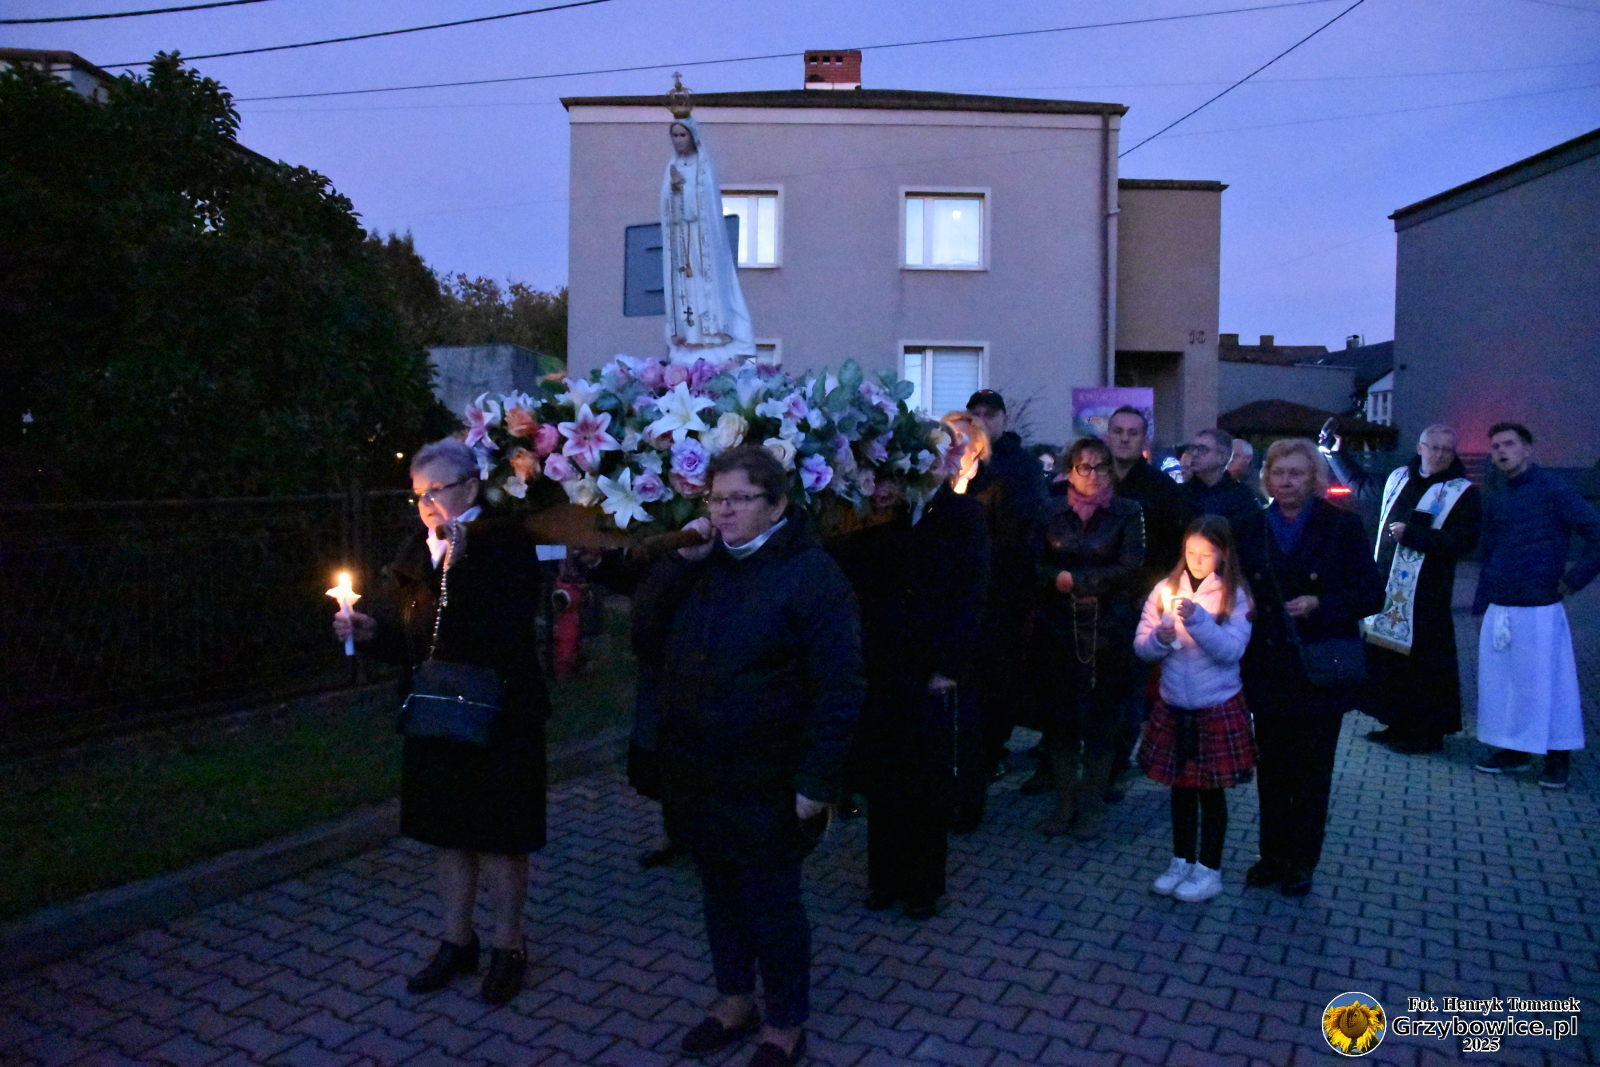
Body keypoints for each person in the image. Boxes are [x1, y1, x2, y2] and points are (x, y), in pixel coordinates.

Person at [633, 445, 862, 1066]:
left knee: (771, 902)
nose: (724, 511)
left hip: (770, 771)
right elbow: (645, 638)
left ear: (777, 505)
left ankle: (785, 1021)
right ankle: (734, 999)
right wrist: (677, 568)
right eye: (716, 498)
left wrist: (817, 780)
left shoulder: (811, 575)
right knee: (719, 893)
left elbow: (840, 685)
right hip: (700, 767)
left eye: (739, 499)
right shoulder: (704, 563)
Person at [335, 438, 547, 1005]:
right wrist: (371, 633)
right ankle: (458, 941)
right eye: (418, 494)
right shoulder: (416, 549)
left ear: (471, 487)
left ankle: (508, 946)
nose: (426, 503)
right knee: (448, 831)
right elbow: (418, 641)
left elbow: (503, 625)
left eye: (437, 490)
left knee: (501, 836)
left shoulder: (504, 540)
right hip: (436, 709)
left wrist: (460, 562)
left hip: (498, 710)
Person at [834, 419, 989, 918]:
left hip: (931, 665)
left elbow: (972, 591)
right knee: (883, 775)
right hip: (883, 661)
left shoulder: (963, 514)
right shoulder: (882, 518)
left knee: (924, 780)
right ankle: (884, 879)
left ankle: (923, 886)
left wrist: (951, 664)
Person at [1235, 439, 1384, 898]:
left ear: (1314, 478)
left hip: (1321, 664)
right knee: (1272, 766)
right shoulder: (1250, 527)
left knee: (1312, 769)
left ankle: (1302, 860)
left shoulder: (1342, 526)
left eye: (1297, 473)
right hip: (1268, 665)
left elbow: (1372, 593)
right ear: (1267, 478)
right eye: (1279, 473)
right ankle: (1271, 854)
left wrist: (1322, 603)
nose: (1287, 482)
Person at [1471, 423, 1600, 789]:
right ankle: (1515, 749)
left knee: (1551, 685)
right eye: (1496, 446)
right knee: (1506, 684)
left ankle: (1558, 756)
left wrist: (1574, 580)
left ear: (1527, 449)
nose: (1501, 451)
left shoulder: (1554, 489)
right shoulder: (1497, 494)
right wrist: (1481, 603)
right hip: (1501, 604)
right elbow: (1489, 552)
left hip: (1539, 606)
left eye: (1509, 444)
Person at [1134, 516, 1255, 903]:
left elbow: (1231, 651)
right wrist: (1160, 638)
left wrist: (1199, 621)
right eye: (1190, 552)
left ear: (1223, 555)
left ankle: (1209, 869)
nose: (1197, 561)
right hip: (1174, 705)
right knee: (1181, 791)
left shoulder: (1235, 596)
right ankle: (1181, 860)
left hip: (1215, 706)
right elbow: (1142, 646)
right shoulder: (1164, 589)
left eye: (1206, 554)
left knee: (1210, 794)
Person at [1034, 436, 1145, 838]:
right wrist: (1055, 578)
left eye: (1101, 467)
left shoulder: (1127, 512)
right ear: (1070, 471)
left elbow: (1131, 566)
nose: (1093, 475)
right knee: (1061, 720)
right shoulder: (1050, 511)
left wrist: (1079, 581)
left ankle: (1092, 804)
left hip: (1108, 631)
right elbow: (1034, 563)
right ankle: (1065, 802)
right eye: (1084, 466)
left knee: (1102, 721)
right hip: (1059, 630)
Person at [1360, 425, 1481, 754]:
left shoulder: (1462, 492)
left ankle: (1427, 733)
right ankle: (1396, 723)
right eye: (1433, 447)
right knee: (1390, 661)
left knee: (1425, 666)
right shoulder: (1400, 478)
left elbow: (1464, 541)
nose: (1439, 454)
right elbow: (1363, 490)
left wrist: (1413, 535)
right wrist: (1335, 454)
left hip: (1428, 595)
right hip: (1389, 589)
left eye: (1446, 449)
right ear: (1420, 447)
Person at [1102, 405, 1195, 798]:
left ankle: (1115, 767)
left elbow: (1179, 548)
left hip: (1138, 602)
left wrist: (1158, 593)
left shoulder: (1162, 489)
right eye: (1118, 431)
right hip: (1092, 600)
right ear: (1108, 435)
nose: (1124, 438)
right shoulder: (1093, 477)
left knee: (1128, 691)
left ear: (1144, 439)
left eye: (1132, 432)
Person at [964, 390, 1046, 791]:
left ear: (1003, 418)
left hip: (1004, 589)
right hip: (968, 586)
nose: (982, 420)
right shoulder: (962, 458)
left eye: (989, 413)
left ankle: (991, 748)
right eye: (975, 413)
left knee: (998, 675)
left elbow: (1026, 528)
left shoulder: (1022, 466)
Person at [661, 115, 755, 364]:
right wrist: (674, 192)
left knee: (704, 285)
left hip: (702, 241)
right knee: (684, 288)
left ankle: (710, 334)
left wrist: (683, 190)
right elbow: (666, 206)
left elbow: (705, 205)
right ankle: (687, 336)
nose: (679, 140)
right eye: (675, 135)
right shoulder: (672, 167)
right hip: (681, 239)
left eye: (683, 135)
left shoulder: (703, 166)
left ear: (692, 136)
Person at [1180, 427, 1261, 528]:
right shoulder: (1180, 494)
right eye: (1193, 448)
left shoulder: (1242, 498)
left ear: (1222, 457)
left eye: (1203, 449)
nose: (1195, 454)